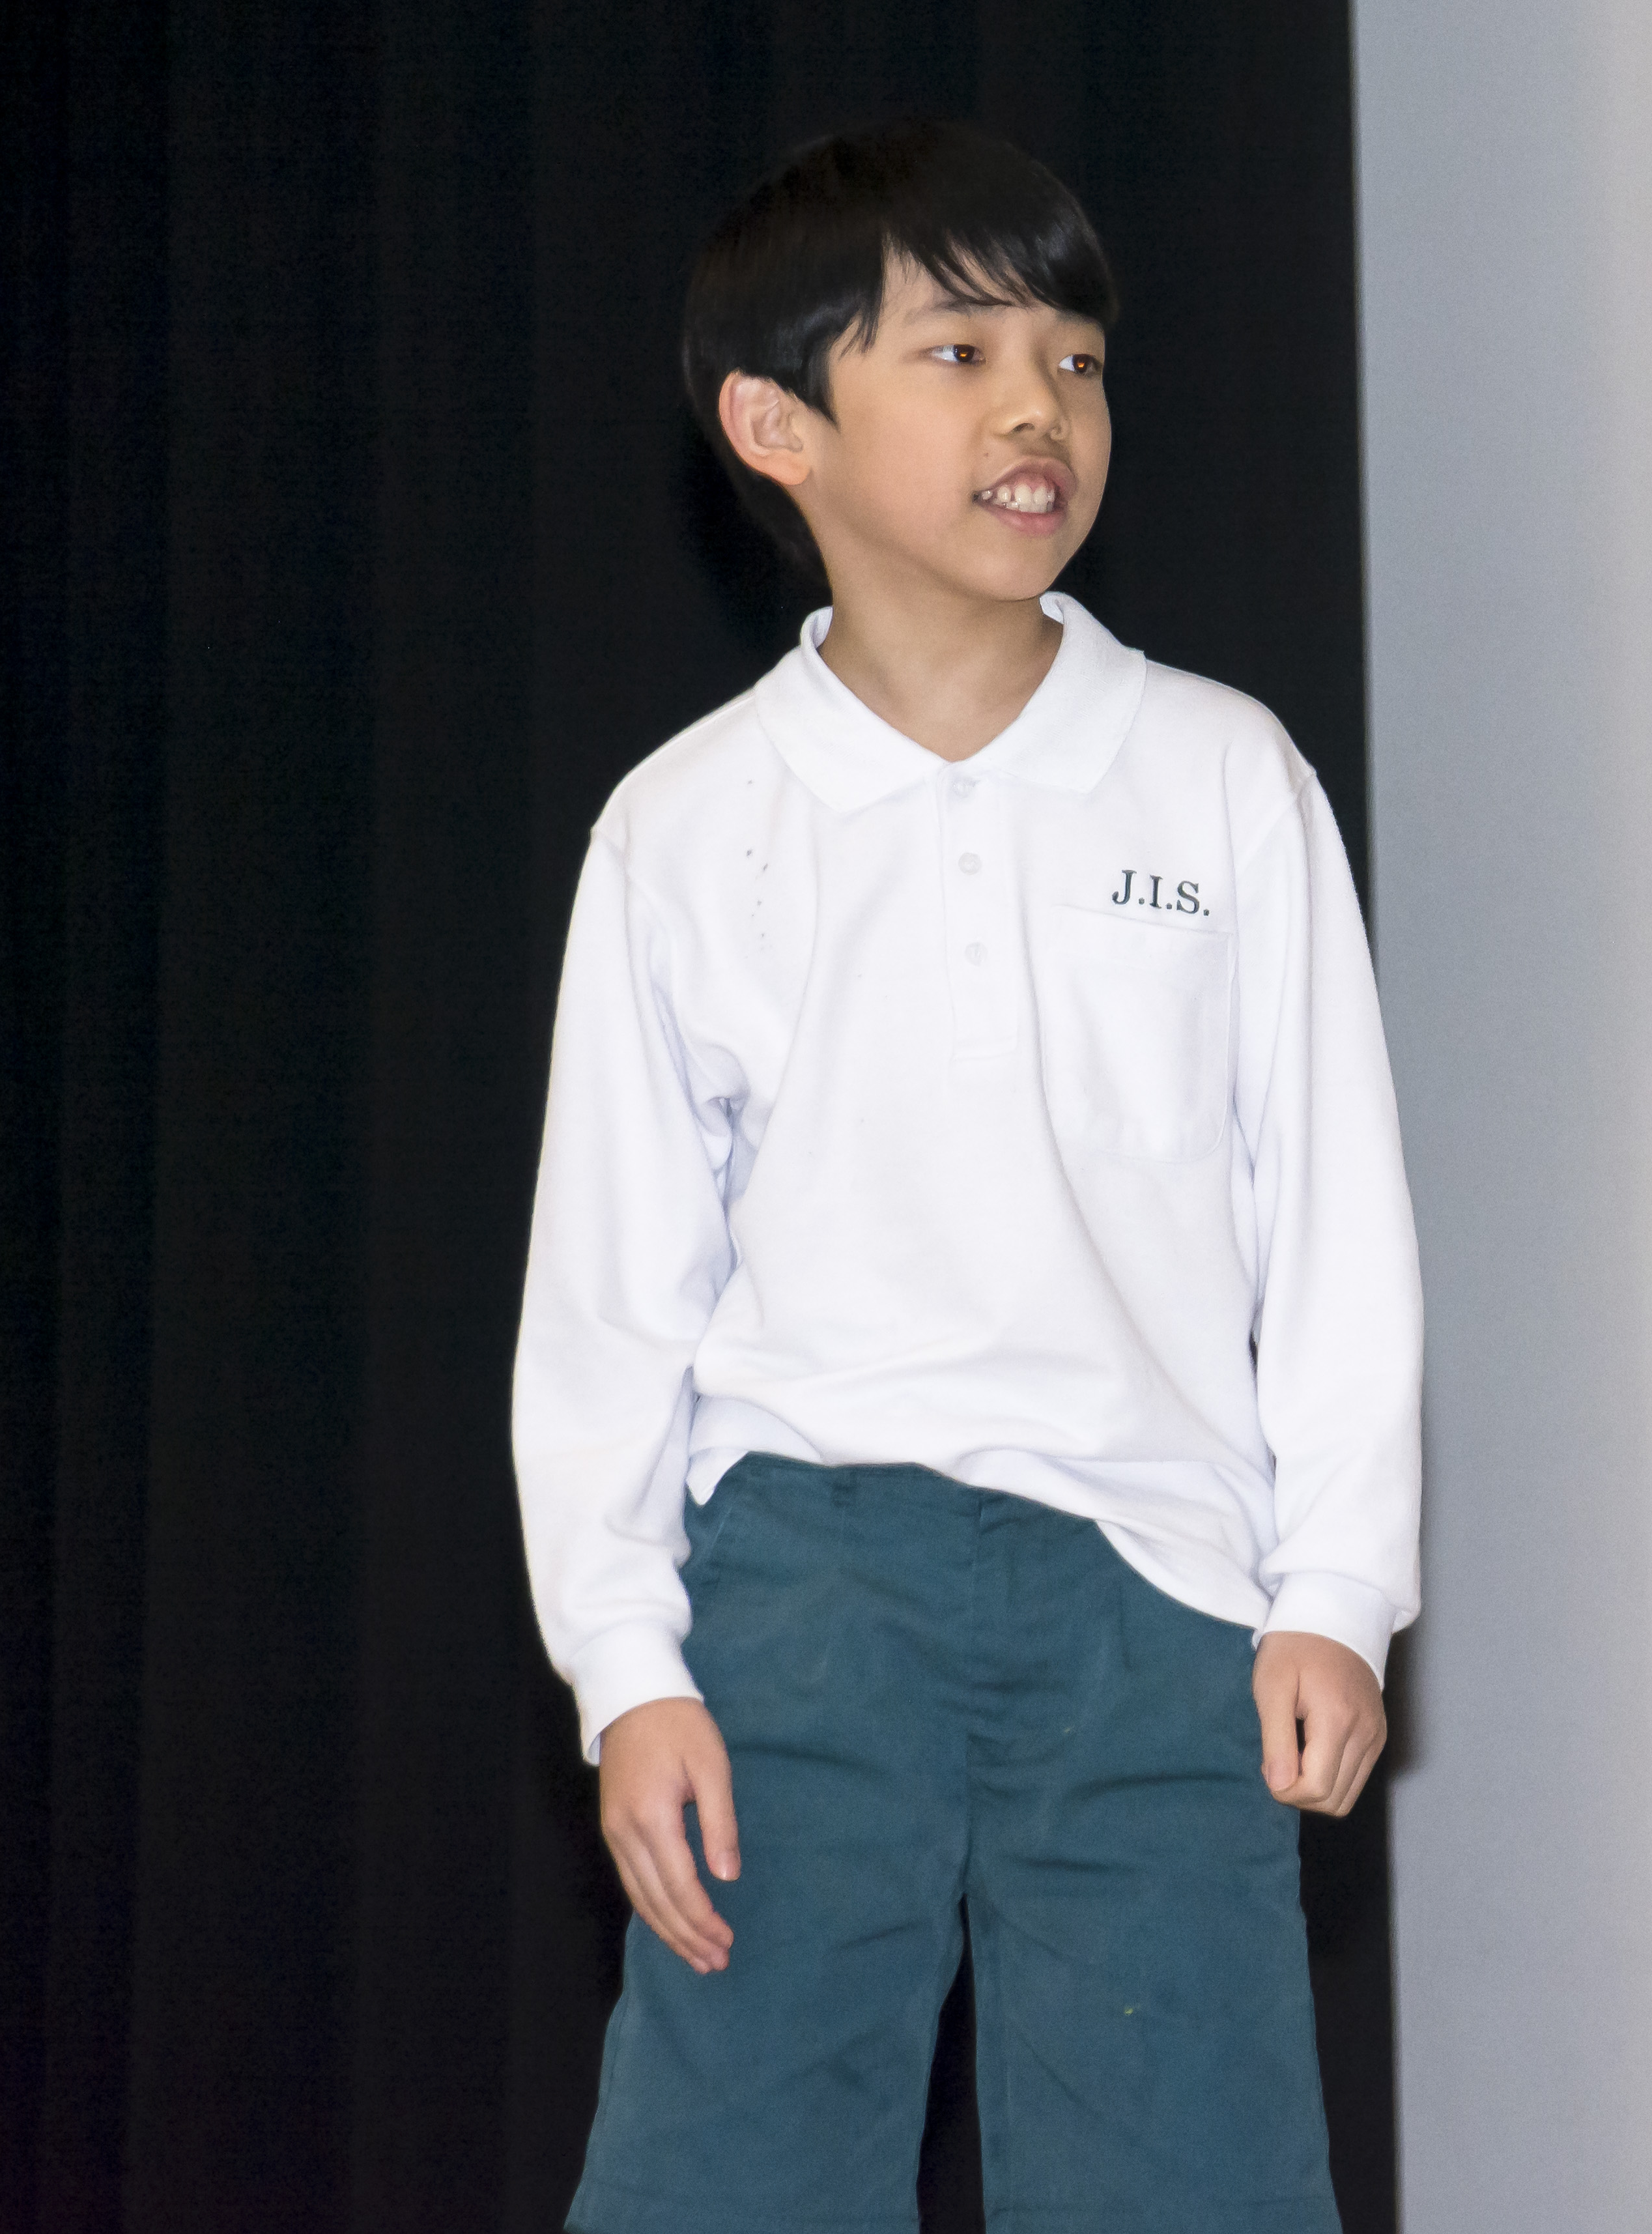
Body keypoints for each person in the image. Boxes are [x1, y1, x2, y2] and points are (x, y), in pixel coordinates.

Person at [511, 119, 1419, 2234]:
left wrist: (1337, 1593)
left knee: (1189, 2178)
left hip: (1162, 1596)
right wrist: (630, 1668)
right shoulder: (687, 824)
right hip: (803, 1595)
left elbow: (1336, 1225)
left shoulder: (1223, 773)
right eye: (959, 353)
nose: (1039, 409)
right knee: (729, 2177)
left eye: (1075, 360)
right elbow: (612, 1298)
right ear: (776, 426)